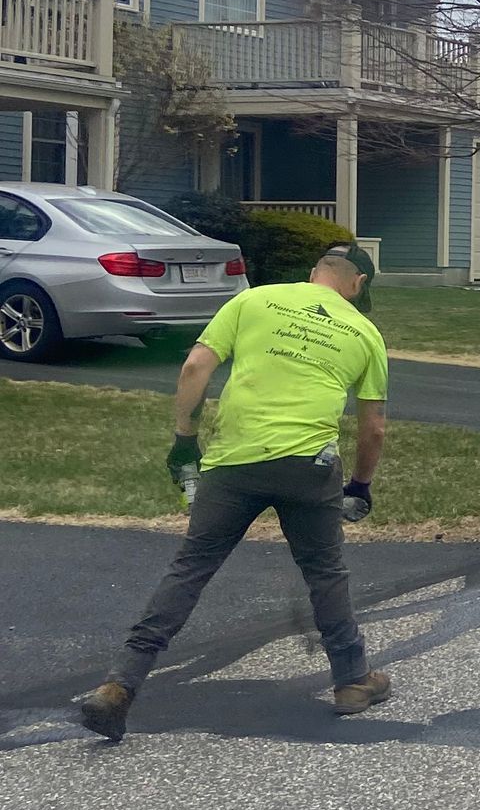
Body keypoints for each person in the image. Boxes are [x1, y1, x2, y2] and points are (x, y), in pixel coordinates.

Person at [75, 245, 389, 741]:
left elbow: (194, 368)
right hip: (309, 468)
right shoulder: (366, 333)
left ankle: (119, 685)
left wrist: (184, 440)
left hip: (233, 464)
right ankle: (352, 681)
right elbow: (373, 429)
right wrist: (361, 487)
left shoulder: (252, 300)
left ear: (314, 272)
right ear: (358, 284)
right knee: (325, 572)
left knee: (190, 569)